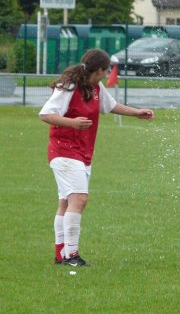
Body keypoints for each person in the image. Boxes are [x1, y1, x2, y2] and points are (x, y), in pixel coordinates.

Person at [39, 49, 154, 266]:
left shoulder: (95, 87)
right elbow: (46, 114)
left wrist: (137, 112)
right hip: (64, 150)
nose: (106, 73)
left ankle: (60, 254)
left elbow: (110, 106)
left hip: (82, 153)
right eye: (106, 69)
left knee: (66, 202)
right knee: (79, 199)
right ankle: (72, 256)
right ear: (100, 69)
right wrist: (72, 123)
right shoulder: (70, 87)